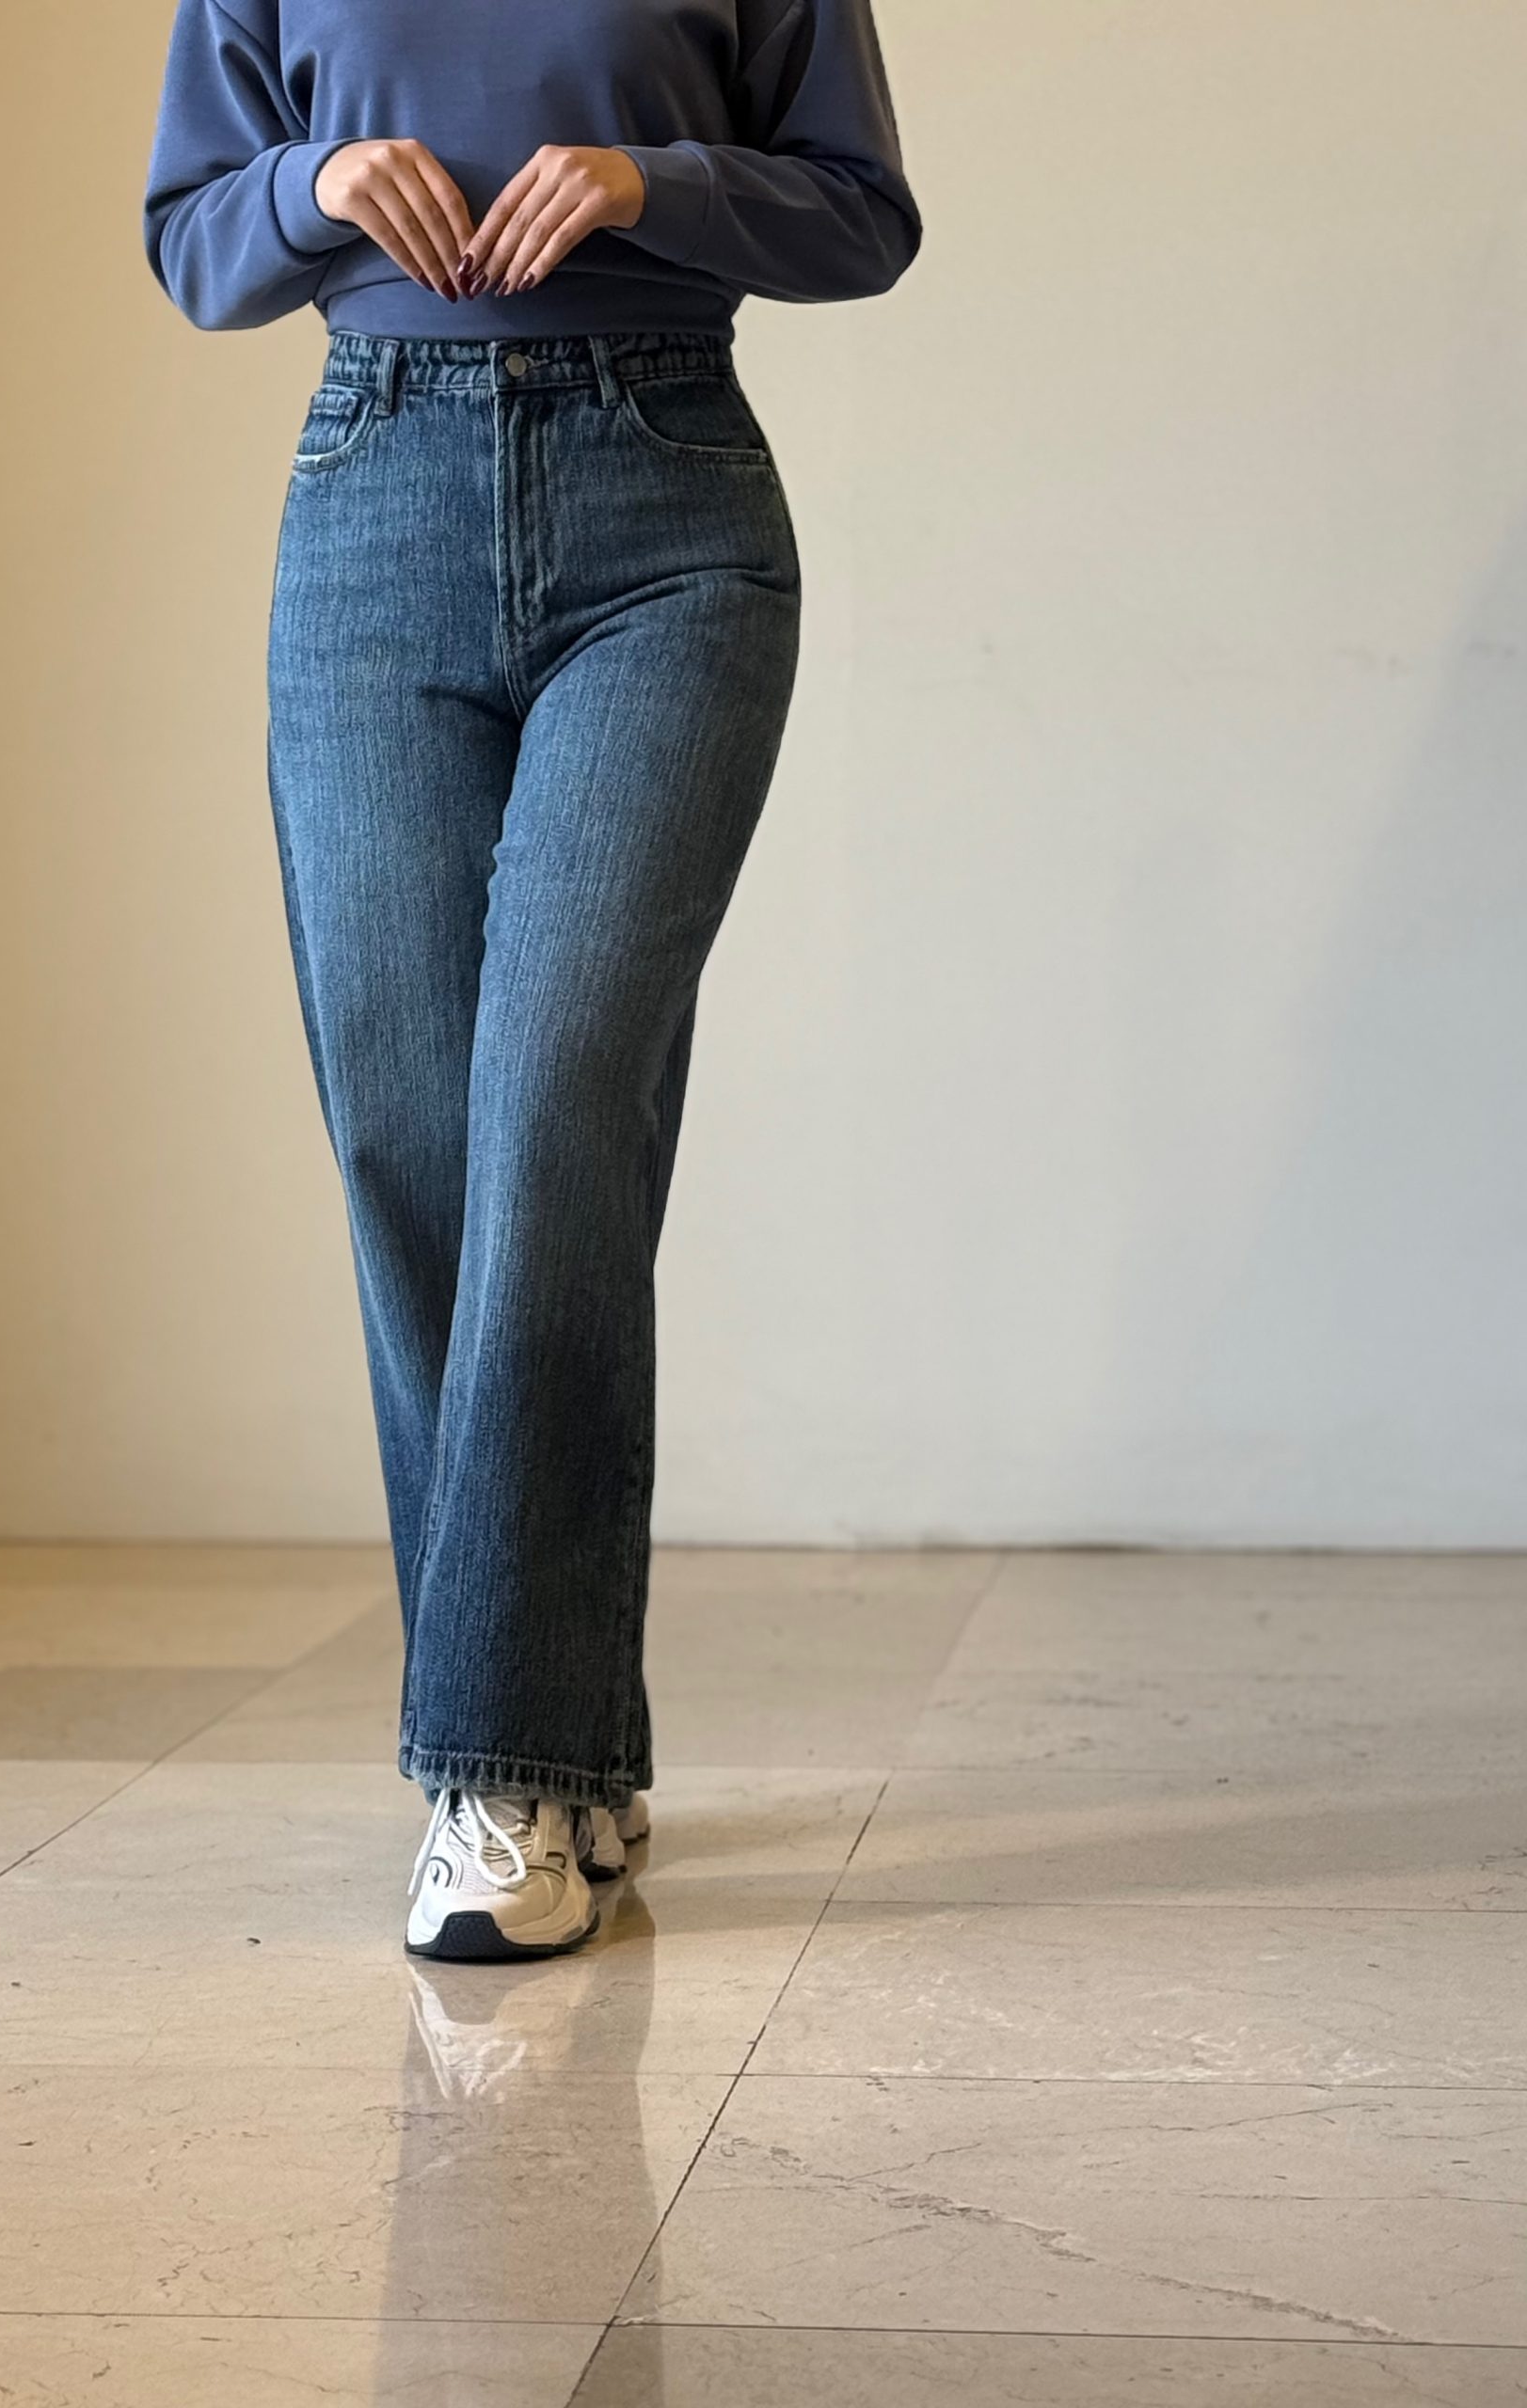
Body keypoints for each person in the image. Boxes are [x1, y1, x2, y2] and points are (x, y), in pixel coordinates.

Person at [143, 0, 921, 1960]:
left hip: (671, 509)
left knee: (561, 1098)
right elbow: (190, 238)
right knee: (406, 1126)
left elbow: (862, 215)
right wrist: (318, 181)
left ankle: (496, 1771)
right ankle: (560, 1741)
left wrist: (653, 184)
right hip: (373, 496)